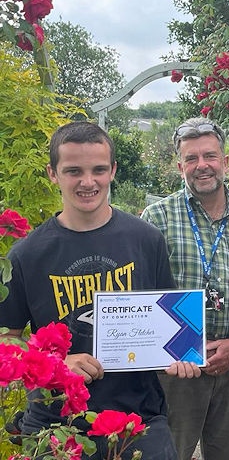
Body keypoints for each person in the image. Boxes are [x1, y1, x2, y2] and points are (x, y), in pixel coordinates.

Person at [0, 121, 201, 460]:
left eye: (98, 170)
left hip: (139, 418)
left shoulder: (146, 240)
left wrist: (179, 353)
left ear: (113, 171)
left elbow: (168, 318)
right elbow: (6, 343)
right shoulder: (26, 255)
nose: (88, 182)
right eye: (73, 171)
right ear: (52, 173)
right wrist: (58, 364)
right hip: (54, 423)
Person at [141, 117, 229, 460]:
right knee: (169, 452)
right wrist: (169, 352)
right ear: (180, 165)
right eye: (192, 159)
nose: (202, 166)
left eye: (210, 156)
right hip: (175, 366)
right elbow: (142, 295)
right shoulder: (157, 218)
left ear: (225, 162)